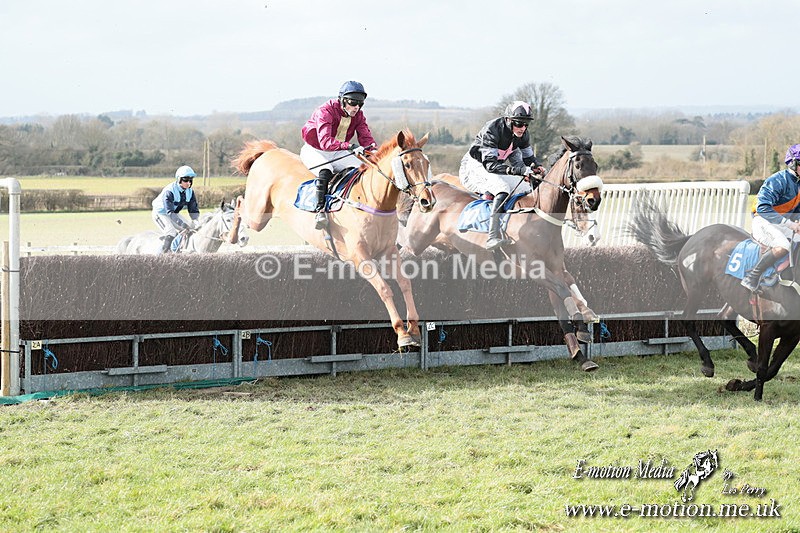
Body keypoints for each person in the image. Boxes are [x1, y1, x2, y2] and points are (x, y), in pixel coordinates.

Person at [459, 100, 546, 249]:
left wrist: (538, 167)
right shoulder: (492, 130)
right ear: (508, 120)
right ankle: (492, 237)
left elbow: (528, 159)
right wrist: (518, 171)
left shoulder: (523, 134)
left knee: (526, 187)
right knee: (503, 188)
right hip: (475, 166)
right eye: (519, 123)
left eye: (526, 124)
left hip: (494, 166)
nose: (522, 128)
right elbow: (490, 165)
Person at [300, 80, 377, 229]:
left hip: (338, 151)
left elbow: (366, 137)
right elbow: (325, 142)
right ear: (342, 100)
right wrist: (349, 146)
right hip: (316, 150)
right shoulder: (325, 111)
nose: (356, 108)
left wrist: (373, 151)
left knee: (361, 170)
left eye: (360, 104)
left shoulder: (358, 115)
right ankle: (320, 210)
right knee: (325, 171)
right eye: (353, 103)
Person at [742, 143, 800, 291]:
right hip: (763, 220)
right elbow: (762, 208)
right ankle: (753, 276)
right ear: (793, 164)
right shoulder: (777, 180)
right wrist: (790, 224)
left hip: (782, 224)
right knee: (784, 245)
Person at [151, 165, 201, 253]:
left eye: (190, 180)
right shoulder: (169, 191)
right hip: (160, 213)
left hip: (173, 213)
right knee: (171, 232)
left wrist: (196, 221)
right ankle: (162, 254)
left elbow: (193, 209)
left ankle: (179, 250)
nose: (188, 183)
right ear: (179, 179)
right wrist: (181, 223)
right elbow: (169, 212)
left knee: (189, 229)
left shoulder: (190, 192)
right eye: (186, 180)